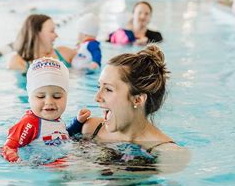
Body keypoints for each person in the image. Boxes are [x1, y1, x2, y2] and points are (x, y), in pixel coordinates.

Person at [79, 44, 189, 173]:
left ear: (138, 99)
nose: (97, 97)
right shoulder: (91, 129)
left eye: (108, 89)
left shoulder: (169, 154)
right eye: (99, 87)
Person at [1, 57, 90, 163]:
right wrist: (19, 162)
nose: (49, 102)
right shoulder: (29, 122)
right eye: (40, 96)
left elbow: (63, 136)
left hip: (63, 161)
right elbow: (8, 148)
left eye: (57, 96)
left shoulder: (56, 120)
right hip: (46, 167)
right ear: (29, 98)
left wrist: (78, 122)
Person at [8, 14, 75, 73]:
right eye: (52, 31)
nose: (56, 35)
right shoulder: (18, 62)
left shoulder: (65, 53)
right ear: (36, 34)